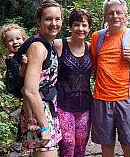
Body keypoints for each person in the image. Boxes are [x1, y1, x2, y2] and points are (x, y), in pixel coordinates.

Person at [89, 0, 130, 157]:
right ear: (105, 17)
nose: (115, 16)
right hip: (101, 99)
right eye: (111, 13)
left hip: (128, 100)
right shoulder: (97, 37)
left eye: (119, 13)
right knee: (106, 145)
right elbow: (92, 67)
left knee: (129, 145)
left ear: (126, 15)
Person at [20, 0, 63, 156]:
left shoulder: (48, 44)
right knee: (44, 152)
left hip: (41, 111)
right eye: (48, 19)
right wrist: (44, 127)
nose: (53, 23)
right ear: (39, 21)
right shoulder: (38, 47)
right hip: (39, 114)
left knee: (36, 152)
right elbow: (30, 90)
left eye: (57, 19)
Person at [54, 8, 92, 157]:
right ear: (70, 26)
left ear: (89, 28)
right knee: (68, 145)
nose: (80, 29)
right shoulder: (58, 45)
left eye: (84, 25)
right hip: (64, 105)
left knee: (81, 147)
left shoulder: (91, 48)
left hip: (85, 107)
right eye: (76, 24)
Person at [0, 24, 40, 131]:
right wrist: (25, 64)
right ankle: (30, 119)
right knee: (26, 92)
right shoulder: (13, 58)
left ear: (24, 39)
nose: (15, 42)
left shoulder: (24, 52)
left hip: (25, 82)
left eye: (18, 38)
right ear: (5, 44)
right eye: (11, 40)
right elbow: (21, 74)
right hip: (20, 85)